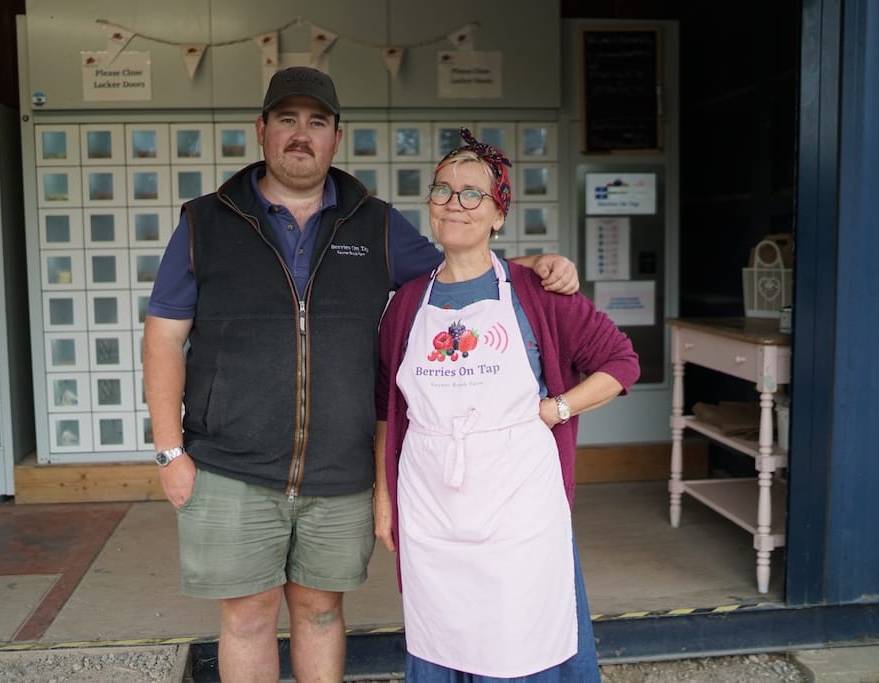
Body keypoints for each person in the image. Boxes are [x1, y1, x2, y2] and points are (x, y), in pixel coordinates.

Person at [142, 67, 581, 683]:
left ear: (336, 137)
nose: (302, 135)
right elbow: (163, 337)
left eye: (317, 122)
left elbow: (457, 268)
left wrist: (533, 265)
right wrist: (169, 453)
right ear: (262, 130)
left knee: (321, 613)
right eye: (288, 120)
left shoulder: (372, 222)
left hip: (339, 469)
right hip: (228, 466)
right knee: (246, 617)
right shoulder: (204, 222)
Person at [374, 129, 641, 681]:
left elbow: (621, 364)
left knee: (524, 640)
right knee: (440, 637)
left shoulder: (538, 291)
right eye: (443, 190)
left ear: (498, 213)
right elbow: (387, 404)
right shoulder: (404, 304)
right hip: (430, 504)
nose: (454, 203)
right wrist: (384, 496)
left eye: (472, 193)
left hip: (519, 504)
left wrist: (557, 410)